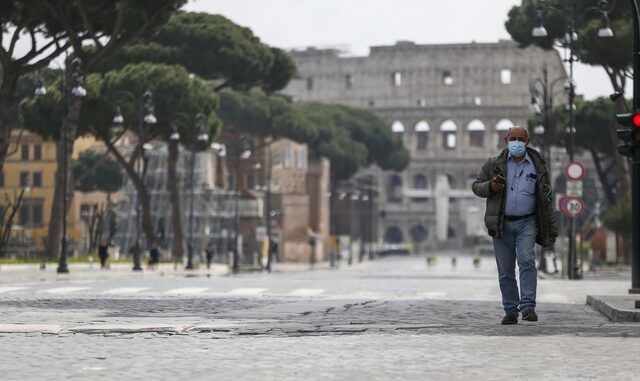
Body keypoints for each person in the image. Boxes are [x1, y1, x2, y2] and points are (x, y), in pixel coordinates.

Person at [472, 126, 557, 325]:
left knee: (527, 260)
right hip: (501, 223)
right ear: (506, 139)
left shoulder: (538, 166)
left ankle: (528, 307)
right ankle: (511, 310)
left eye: (521, 139)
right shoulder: (493, 164)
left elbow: (546, 200)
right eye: (513, 138)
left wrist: (552, 228)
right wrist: (490, 186)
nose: (517, 142)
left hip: (528, 221)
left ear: (527, 142)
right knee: (505, 270)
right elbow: (476, 186)